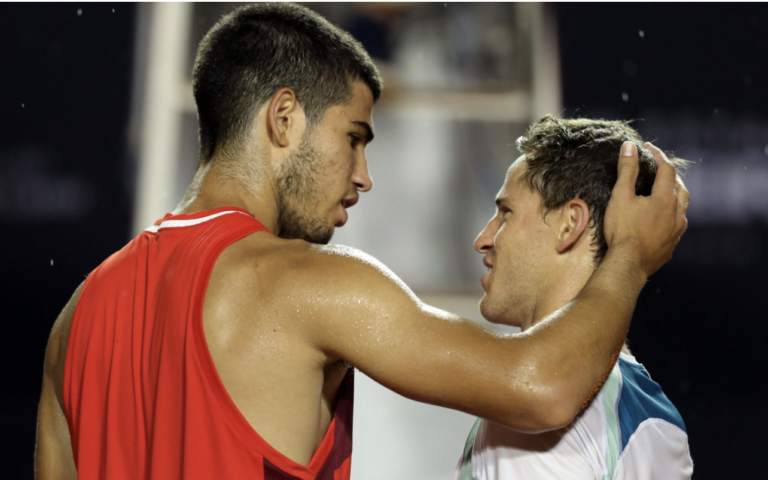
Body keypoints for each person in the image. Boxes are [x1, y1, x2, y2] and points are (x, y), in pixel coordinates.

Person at [34, 4, 689, 480]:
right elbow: (540, 388)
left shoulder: (75, 320)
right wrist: (630, 255)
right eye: (353, 138)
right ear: (283, 118)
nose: (363, 177)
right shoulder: (307, 284)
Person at [454, 116, 694, 480]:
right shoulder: (661, 417)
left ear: (569, 224)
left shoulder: (533, 409)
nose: (483, 239)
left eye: (506, 213)